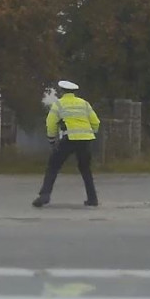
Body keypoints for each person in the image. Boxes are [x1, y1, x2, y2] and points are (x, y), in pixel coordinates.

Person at [33, 80, 100, 208]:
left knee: (53, 166)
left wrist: (52, 140)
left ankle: (44, 195)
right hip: (85, 140)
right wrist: (91, 134)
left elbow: (51, 123)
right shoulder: (84, 104)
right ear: (74, 92)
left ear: (61, 91)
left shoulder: (59, 104)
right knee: (85, 169)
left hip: (68, 139)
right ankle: (92, 199)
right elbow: (96, 122)